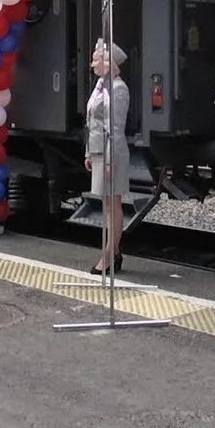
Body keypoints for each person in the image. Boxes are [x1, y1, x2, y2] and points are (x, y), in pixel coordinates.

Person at [84, 39, 130, 275]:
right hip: (100, 151)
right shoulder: (101, 86)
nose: (92, 65)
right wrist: (89, 152)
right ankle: (114, 251)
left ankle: (110, 254)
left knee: (113, 205)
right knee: (107, 205)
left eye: (96, 60)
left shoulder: (119, 90)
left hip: (113, 153)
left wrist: (110, 160)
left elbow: (116, 128)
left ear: (108, 62)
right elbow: (92, 120)